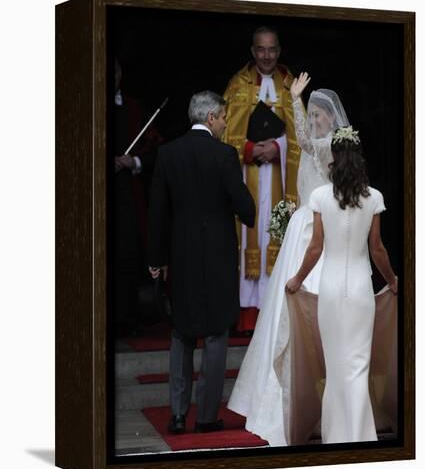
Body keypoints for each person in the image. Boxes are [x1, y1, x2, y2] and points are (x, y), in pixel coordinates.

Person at [227, 74, 351, 446]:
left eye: (319, 114)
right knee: (281, 308)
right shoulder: (316, 141)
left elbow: (305, 144)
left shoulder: (330, 146)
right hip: (301, 227)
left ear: (331, 119)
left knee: (311, 307)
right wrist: (298, 104)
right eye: (310, 114)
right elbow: (301, 140)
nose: (314, 120)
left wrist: (295, 103)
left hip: (318, 229)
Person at [148, 90, 255, 434]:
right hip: (219, 258)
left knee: (181, 333)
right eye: (223, 117)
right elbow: (245, 209)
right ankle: (207, 417)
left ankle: (178, 415)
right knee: (215, 335)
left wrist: (156, 259)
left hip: (181, 258)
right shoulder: (224, 155)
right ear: (210, 118)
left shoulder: (168, 153)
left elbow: (157, 214)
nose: (225, 123)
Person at [286, 126, 397, 443]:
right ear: (359, 158)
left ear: (333, 157)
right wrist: (392, 281)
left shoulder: (320, 196)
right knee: (358, 366)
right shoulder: (374, 197)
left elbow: (315, 248)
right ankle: (361, 435)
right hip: (361, 290)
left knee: (336, 367)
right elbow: (377, 249)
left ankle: (337, 437)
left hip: (331, 290)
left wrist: (297, 279)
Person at [223, 27, 301, 333]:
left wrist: (277, 148)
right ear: (252, 52)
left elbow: (301, 135)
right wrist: (252, 149)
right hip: (248, 176)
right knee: (249, 234)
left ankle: (275, 314)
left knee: (276, 236)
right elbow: (226, 133)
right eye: (260, 50)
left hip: (281, 180)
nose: (266, 56)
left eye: (271, 50)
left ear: (279, 51)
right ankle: (248, 319)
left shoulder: (290, 85)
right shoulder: (238, 85)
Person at [113, 59, 163, 336]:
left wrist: (133, 162)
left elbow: (155, 149)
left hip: (128, 197)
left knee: (128, 252)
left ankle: (127, 319)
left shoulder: (135, 109)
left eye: (116, 72)